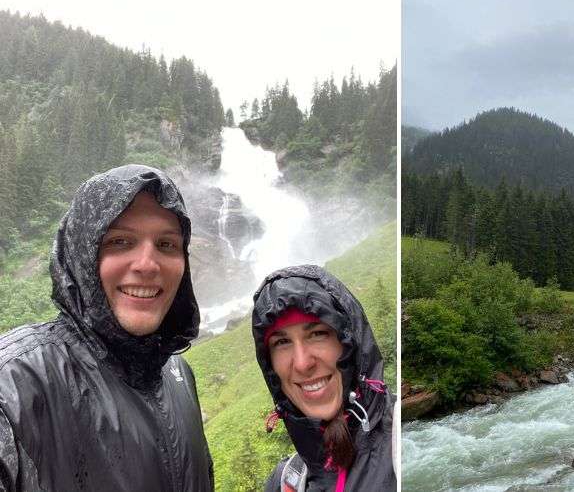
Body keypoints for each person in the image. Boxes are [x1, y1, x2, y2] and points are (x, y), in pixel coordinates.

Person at [0, 165, 213, 491]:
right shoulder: (14, 384)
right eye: (120, 241)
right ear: (82, 255)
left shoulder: (179, 375)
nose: (147, 264)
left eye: (167, 244)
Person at [252, 265, 396, 492]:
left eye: (318, 334)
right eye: (282, 342)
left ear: (350, 344)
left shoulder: (399, 446)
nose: (302, 363)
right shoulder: (285, 483)